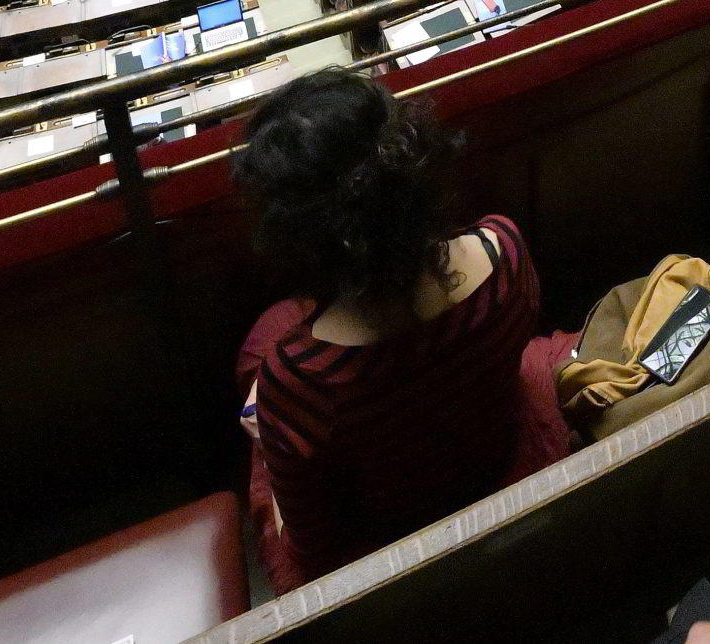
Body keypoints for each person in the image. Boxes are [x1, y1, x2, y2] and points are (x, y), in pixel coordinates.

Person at [232, 71, 562, 587]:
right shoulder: (505, 248)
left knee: (265, 338)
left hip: (392, 530)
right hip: (494, 446)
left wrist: (274, 431)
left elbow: (314, 544)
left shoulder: (297, 380)